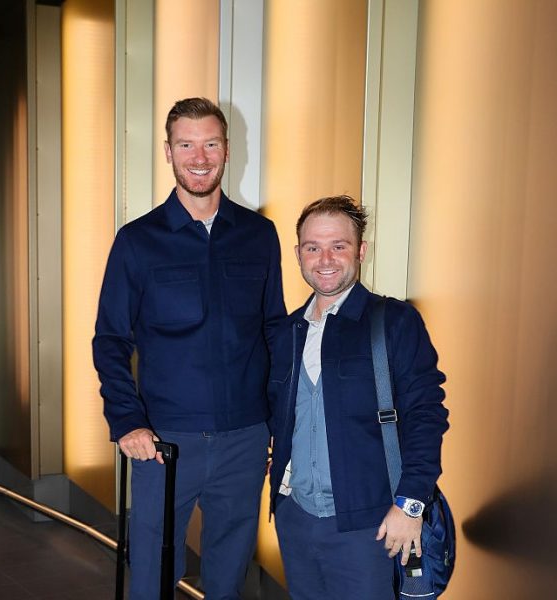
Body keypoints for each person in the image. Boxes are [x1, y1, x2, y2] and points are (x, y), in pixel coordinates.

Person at [93, 97, 286, 600]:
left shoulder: (260, 235)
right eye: (186, 145)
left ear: (227, 149)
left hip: (245, 437)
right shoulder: (137, 242)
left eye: (210, 144)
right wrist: (127, 420)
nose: (199, 157)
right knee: (154, 573)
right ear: (168, 151)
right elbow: (111, 340)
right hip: (162, 440)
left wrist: (278, 425)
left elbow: (273, 333)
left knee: (229, 572)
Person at [268, 195, 448, 599]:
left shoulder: (394, 322)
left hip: (373, 524)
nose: (325, 258)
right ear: (298, 254)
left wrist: (411, 505)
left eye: (339, 246)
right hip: (296, 519)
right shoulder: (287, 332)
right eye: (313, 247)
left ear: (361, 250)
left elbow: (426, 414)